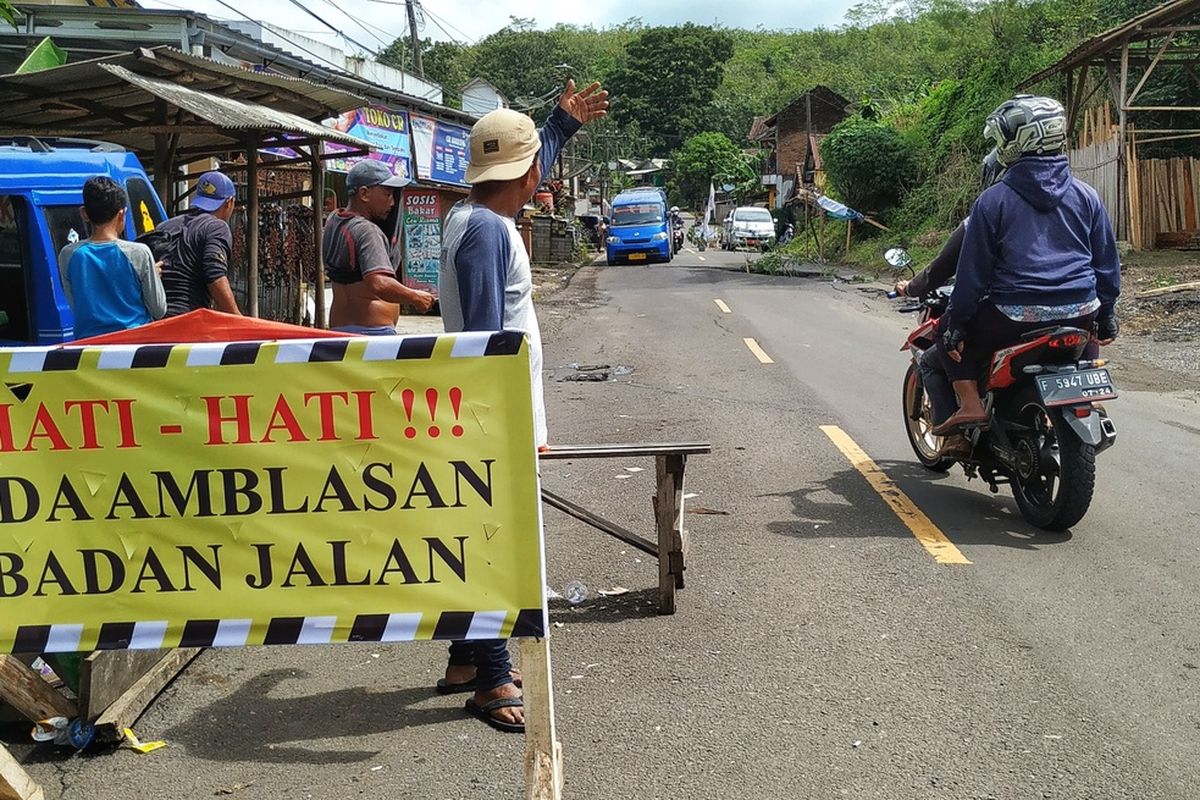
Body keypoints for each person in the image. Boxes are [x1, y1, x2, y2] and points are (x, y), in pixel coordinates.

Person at [438, 79, 608, 734]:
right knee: (497, 546)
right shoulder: (489, 233)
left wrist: (559, 125)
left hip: (487, 415)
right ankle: (492, 676)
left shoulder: (471, 215)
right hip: (491, 420)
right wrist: (502, 431)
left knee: (487, 538)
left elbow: (524, 158)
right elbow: (488, 344)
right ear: (529, 171)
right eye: (542, 159)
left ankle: (463, 656)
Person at [934, 95, 1120, 435]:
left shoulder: (992, 201)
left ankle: (970, 404)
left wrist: (957, 322)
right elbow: (1106, 263)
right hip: (1080, 310)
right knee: (1085, 335)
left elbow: (973, 275)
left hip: (1013, 316)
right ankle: (1088, 394)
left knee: (942, 329)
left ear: (1021, 139)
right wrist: (1106, 312)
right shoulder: (1087, 195)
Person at [894, 150, 1004, 458]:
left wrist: (950, 316)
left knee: (941, 346)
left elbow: (946, 271)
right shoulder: (1075, 201)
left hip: (1010, 309)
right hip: (1079, 308)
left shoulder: (985, 213)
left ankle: (958, 429)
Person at [322, 160, 434, 332]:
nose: (392, 203)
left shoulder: (334, 220)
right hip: (372, 331)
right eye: (387, 194)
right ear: (364, 194)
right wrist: (415, 297)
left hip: (339, 327)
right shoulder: (367, 231)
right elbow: (379, 283)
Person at [58, 176, 165, 339]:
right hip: (133, 347)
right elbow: (159, 309)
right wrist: (152, 278)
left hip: (87, 348)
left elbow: (76, 305)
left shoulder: (68, 254)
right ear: (122, 214)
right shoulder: (139, 253)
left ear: (84, 213)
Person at [157, 170, 242, 317]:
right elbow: (215, 276)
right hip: (189, 320)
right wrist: (238, 319)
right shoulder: (217, 227)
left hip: (156, 320)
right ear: (229, 203)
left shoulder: (164, 226)